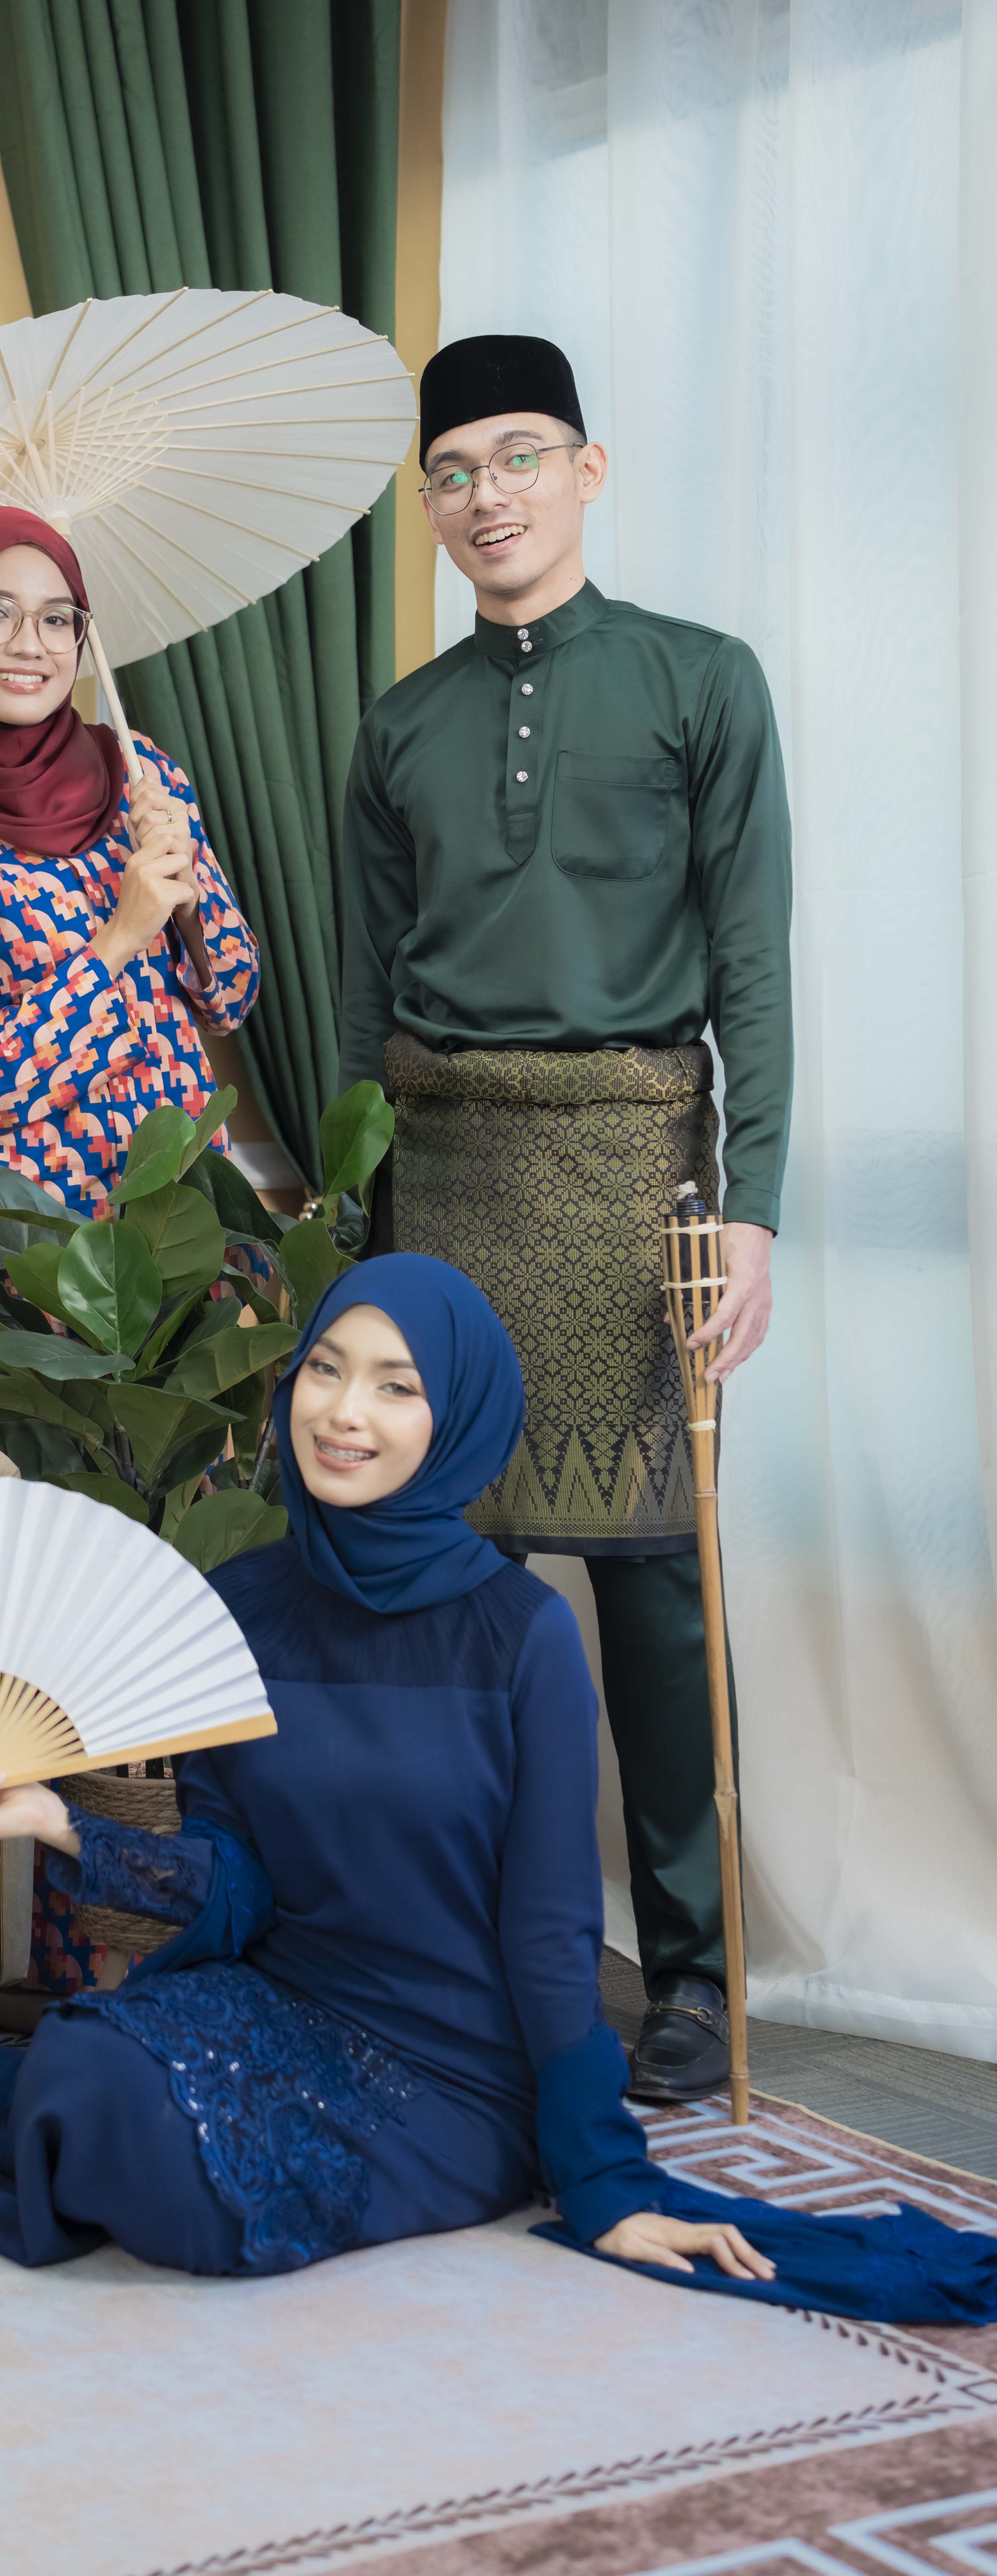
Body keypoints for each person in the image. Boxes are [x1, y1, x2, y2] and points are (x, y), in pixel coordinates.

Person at [0, 1262, 997, 2330]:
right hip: (283, 1998)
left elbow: (552, 1929)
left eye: (396, 1386)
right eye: (325, 1369)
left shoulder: (523, 1635)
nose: (344, 1412)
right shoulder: (239, 1605)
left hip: (454, 2069)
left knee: (172, 2189)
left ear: (458, 1418)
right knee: (91, 2079)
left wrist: (604, 2181)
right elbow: (237, 1883)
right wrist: (56, 1822)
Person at [336, 334, 794, 2100]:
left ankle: (685, 1978)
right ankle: (468, 1955)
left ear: (588, 471)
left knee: (657, 1588)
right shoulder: (399, 725)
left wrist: (751, 1208)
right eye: (453, 473)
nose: (488, 496)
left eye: (520, 456)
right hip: (443, 1177)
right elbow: (365, 989)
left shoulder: (701, 680)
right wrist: (357, 1228)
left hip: (633, 1169)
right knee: (448, 1584)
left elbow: (750, 963)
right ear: (429, 505)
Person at [0, 505, 261, 1386]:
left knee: (184, 1462)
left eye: (56, 618)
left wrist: (186, 887)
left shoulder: (142, 773)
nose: (29, 645)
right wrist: (118, 937)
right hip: (33, 1235)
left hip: (178, 1209)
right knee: (36, 1472)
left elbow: (230, 997)